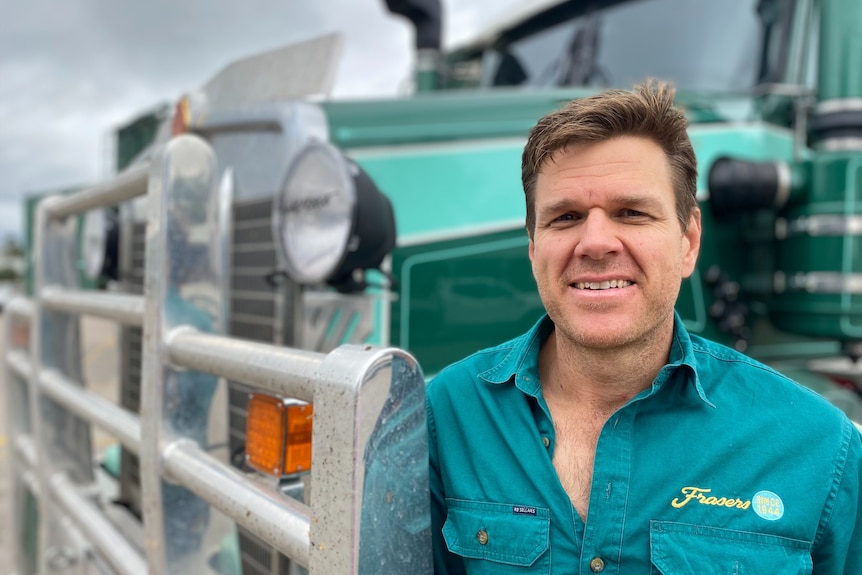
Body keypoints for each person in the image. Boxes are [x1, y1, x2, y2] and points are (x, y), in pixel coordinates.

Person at [426, 81, 861, 574]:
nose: (594, 243)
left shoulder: (819, 447)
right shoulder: (450, 412)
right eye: (565, 217)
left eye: (631, 213)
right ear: (532, 247)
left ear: (689, 242)